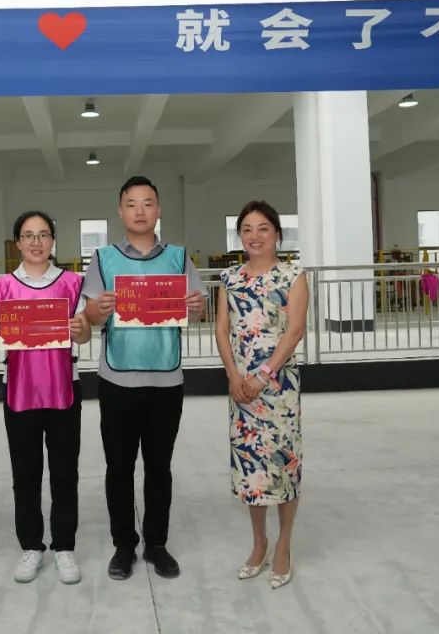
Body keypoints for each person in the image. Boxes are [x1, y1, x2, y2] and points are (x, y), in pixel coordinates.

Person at [83, 176, 206, 580]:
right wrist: (100, 309)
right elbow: (90, 316)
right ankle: (123, 545)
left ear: (158, 210)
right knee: (118, 468)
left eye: (148, 203)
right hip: (117, 380)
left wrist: (196, 306)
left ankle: (156, 544)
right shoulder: (102, 258)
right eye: (132, 203)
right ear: (120, 211)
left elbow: (197, 312)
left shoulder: (179, 258)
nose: (140, 211)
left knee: (159, 467)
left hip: (165, 380)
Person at [0, 211, 92, 585]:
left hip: (64, 389)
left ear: (52, 241)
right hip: (19, 391)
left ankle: (64, 546)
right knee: (25, 474)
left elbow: (84, 335)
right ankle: (31, 545)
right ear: (18, 243)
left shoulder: (72, 283)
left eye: (43, 234)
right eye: (28, 235)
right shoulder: (2, 287)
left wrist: (80, 330)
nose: (36, 242)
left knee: (64, 472)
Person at [215, 200, 308, 589]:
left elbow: (294, 331)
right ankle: (259, 544)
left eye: (263, 229)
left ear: (277, 235)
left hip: (278, 389)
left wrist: (263, 376)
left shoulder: (293, 276)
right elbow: (222, 330)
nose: (254, 236)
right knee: (251, 468)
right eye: (247, 230)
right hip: (241, 391)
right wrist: (234, 376)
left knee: (283, 466)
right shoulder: (230, 278)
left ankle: (283, 545)